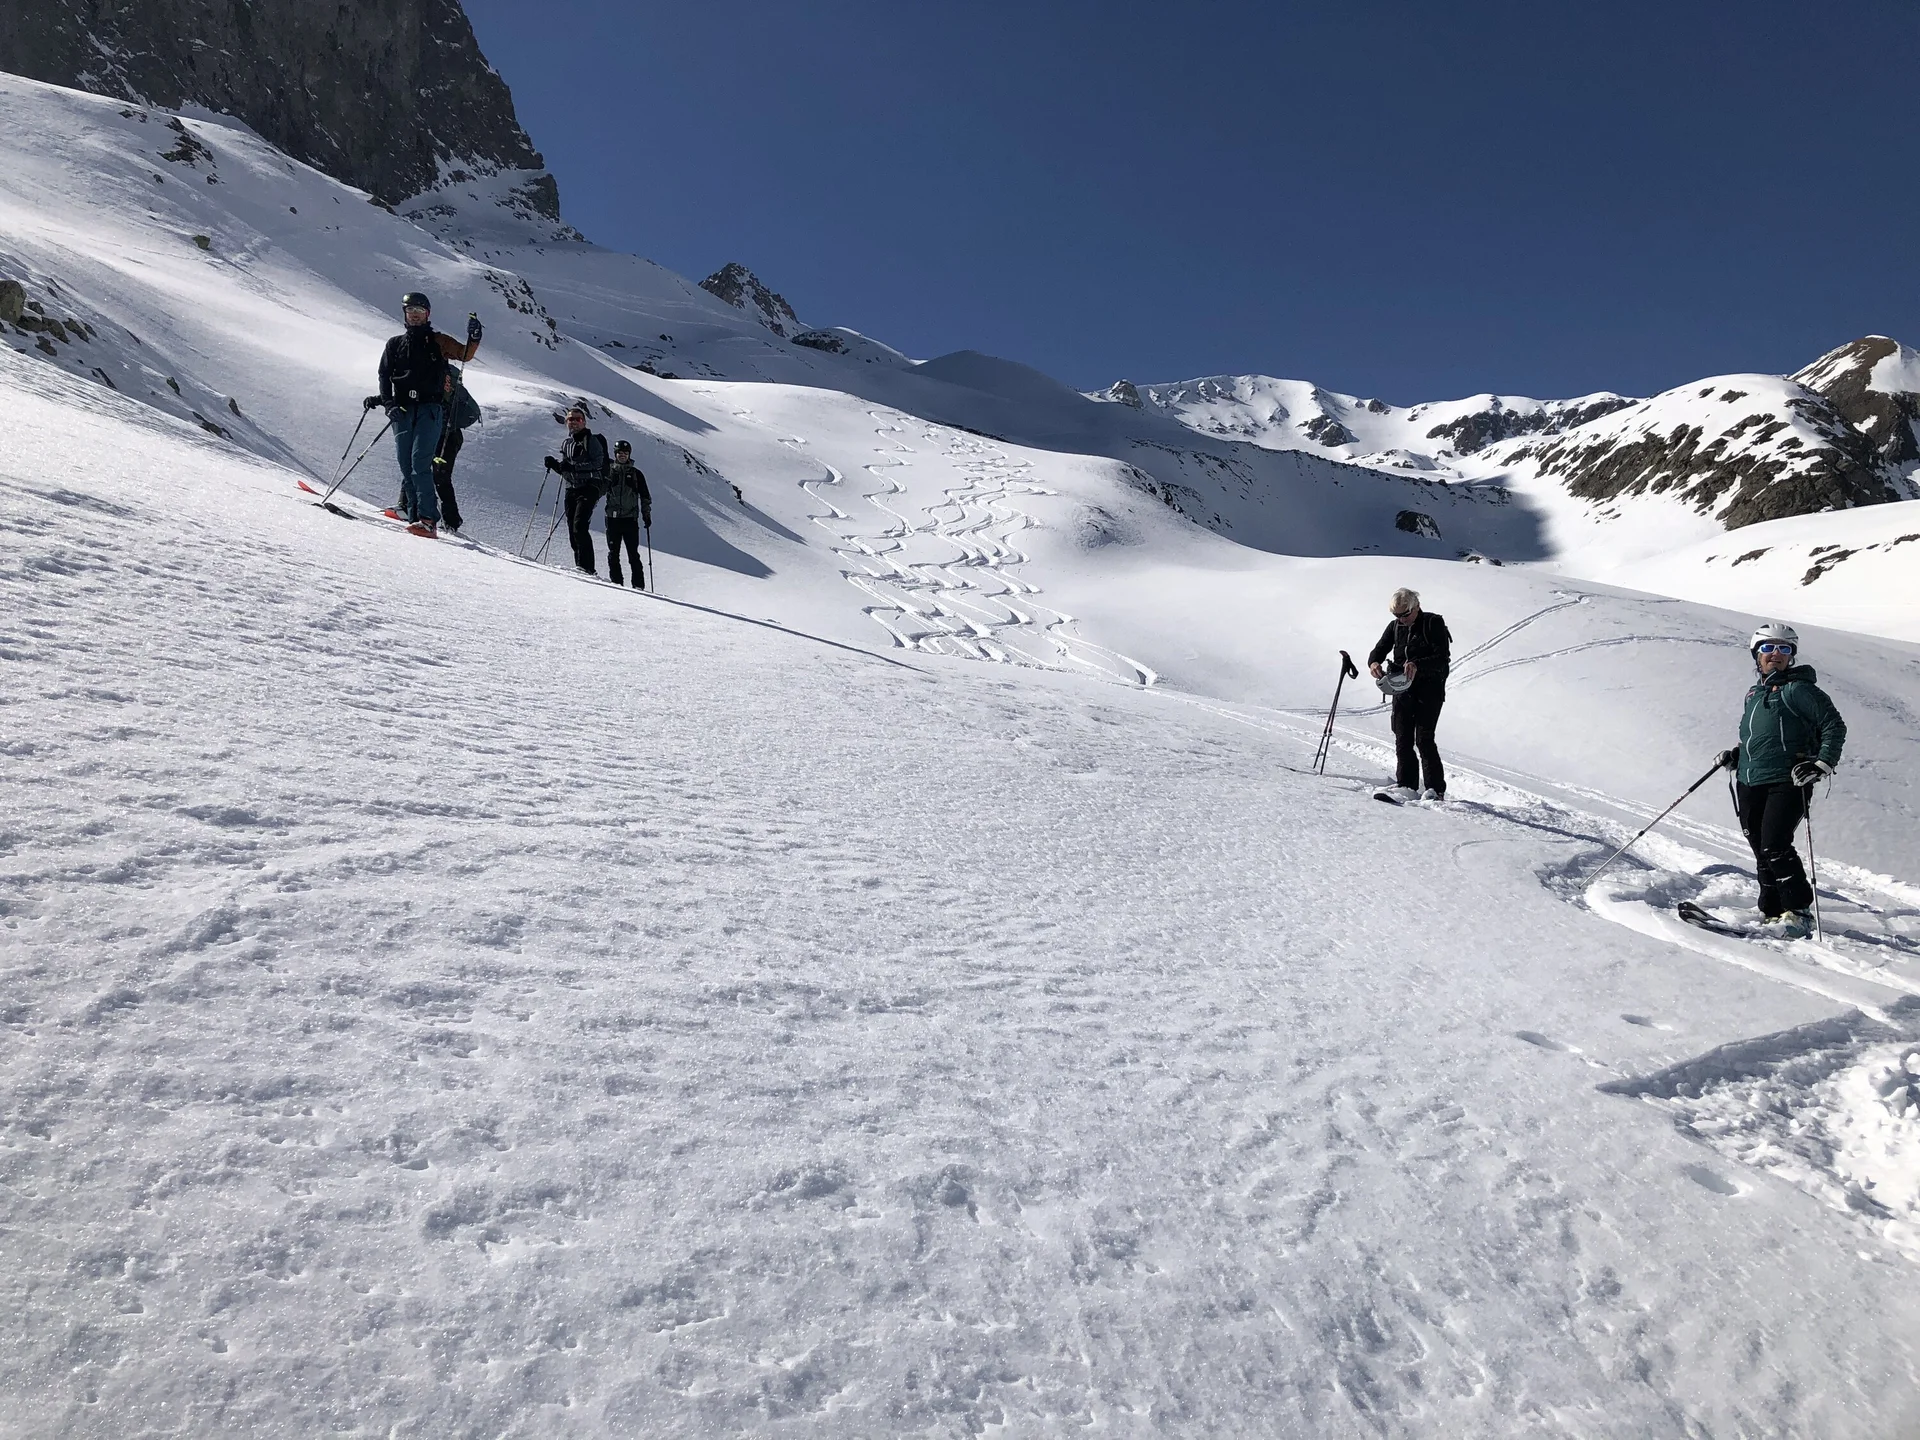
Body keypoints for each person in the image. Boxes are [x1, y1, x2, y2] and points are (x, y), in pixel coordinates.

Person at [1715, 621, 1846, 938]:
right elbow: (1760, 736)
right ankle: (1772, 910)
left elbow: (1834, 727)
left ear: (1792, 656)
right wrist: (1738, 755)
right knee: (1760, 845)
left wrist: (1821, 764)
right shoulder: (1754, 693)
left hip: (1789, 780)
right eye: (1768, 648)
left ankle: (1799, 912)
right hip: (1750, 778)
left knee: (1775, 844)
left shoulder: (1799, 690)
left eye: (1784, 648)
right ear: (1756, 655)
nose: (1776, 654)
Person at [365, 292, 481, 537]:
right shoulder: (395, 344)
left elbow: (464, 355)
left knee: (420, 464)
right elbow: (384, 376)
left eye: (419, 312)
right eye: (411, 312)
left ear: (427, 315)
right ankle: (415, 516)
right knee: (406, 467)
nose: (415, 316)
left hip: (430, 409)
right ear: (405, 315)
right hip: (403, 410)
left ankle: (428, 518)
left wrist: (475, 337)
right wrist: (388, 404)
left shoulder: (438, 341)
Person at [1368, 586, 1453, 801]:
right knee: (1402, 737)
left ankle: (1435, 790)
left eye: (1405, 615)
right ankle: (1406, 785)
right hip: (1402, 690)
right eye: (1396, 615)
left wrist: (1417, 665)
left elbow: (1442, 660)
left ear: (1416, 608)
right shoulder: (1395, 626)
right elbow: (1378, 650)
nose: (1401, 619)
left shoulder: (1433, 624)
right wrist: (1374, 663)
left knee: (1424, 739)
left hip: (1429, 690)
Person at [545, 405, 608, 573]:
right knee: (573, 528)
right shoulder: (567, 443)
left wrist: (574, 467)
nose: (573, 422)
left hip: (589, 486)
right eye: (570, 419)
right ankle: (581, 566)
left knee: (579, 525)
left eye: (577, 419)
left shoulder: (592, 441)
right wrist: (555, 465)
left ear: (584, 422)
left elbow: (598, 463)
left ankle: (587, 568)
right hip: (571, 488)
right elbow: (567, 469)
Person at [603, 440, 653, 589]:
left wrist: (646, 515)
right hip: (612, 519)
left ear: (629, 454)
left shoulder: (636, 474)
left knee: (633, 554)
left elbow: (645, 497)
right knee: (613, 553)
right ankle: (617, 583)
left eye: (625, 453)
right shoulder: (609, 472)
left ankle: (638, 586)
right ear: (615, 454)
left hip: (630, 519)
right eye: (620, 453)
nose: (622, 455)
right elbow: (599, 489)